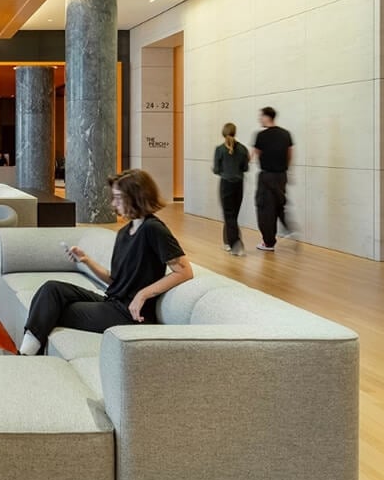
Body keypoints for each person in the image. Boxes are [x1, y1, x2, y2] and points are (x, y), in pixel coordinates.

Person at [18, 169, 192, 355]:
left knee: (50, 310)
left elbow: (184, 271)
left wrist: (142, 294)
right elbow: (113, 280)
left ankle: (25, 355)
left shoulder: (153, 229)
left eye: (118, 198)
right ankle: (28, 352)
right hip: (112, 302)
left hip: (128, 314)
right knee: (51, 289)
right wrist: (86, 261)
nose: (113, 204)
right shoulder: (124, 233)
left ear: (136, 196)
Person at [251, 106, 294, 251]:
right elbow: (289, 154)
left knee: (264, 209)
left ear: (267, 117)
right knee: (279, 205)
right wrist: (285, 169)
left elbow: (256, 154)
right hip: (282, 175)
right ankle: (289, 228)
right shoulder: (286, 134)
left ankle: (268, 242)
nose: (259, 119)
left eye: (261, 116)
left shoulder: (261, 135)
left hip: (267, 176)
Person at [213, 122, 249, 255]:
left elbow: (216, 169)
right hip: (239, 184)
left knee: (229, 215)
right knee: (233, 215)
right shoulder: (243, 149)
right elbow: (245, 168)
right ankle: (227, 242)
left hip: (226, 184)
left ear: (223, 133)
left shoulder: (219, 149)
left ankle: (236, 245)